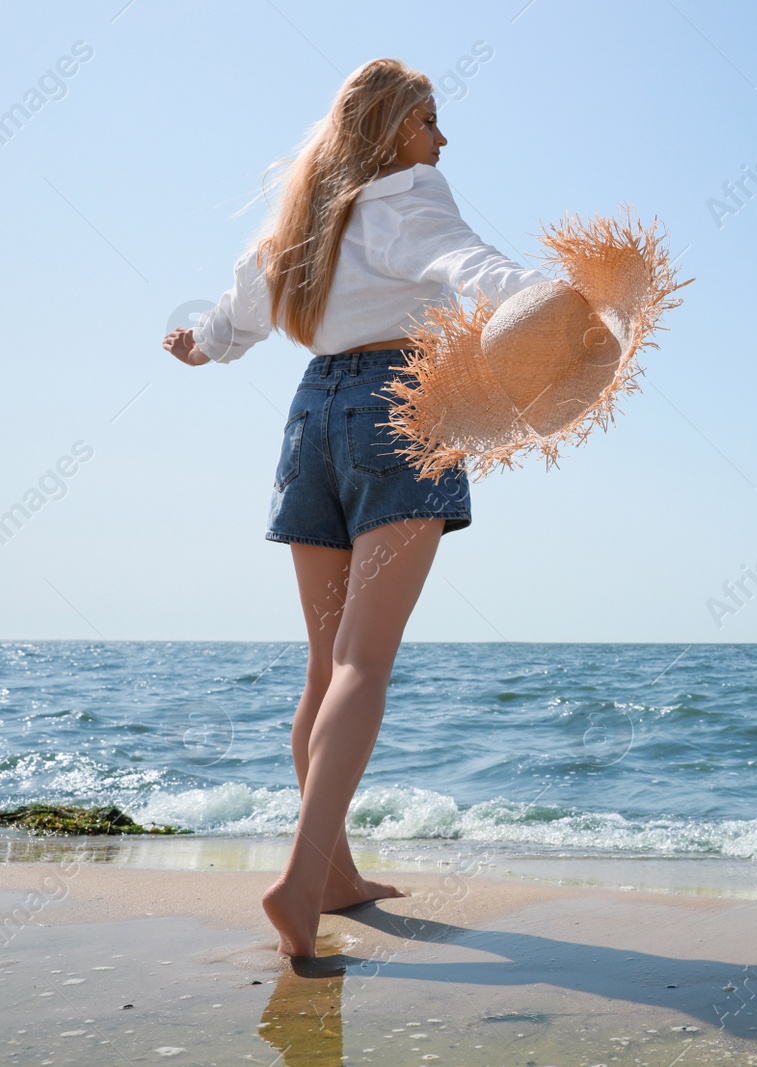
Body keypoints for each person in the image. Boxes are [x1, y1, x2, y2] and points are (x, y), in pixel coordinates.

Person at [162, 58, 558, 958]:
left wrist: (195, 347)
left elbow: (229, 328)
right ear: (392, 129)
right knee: (363, 667)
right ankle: (301, 883)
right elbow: (476, 268)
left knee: (324, 668)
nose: (442, 139)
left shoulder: (299, 225)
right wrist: (558, 303)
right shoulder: (408, 194)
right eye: (430, 120)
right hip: (397, 407)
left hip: (311, 417)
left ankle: (334, 875)